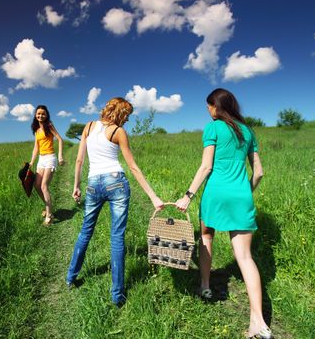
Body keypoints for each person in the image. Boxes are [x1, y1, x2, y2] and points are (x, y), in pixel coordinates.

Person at [175, 88, 271, 339]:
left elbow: (206, 166)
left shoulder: (213, 127)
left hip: (215, 195)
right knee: (245, 257)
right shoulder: (248, 131)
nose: (208, 111)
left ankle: (205, 286)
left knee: (206, 237)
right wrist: (244, 192)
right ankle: (258, 322)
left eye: (209, 106)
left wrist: (188, 195)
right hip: (241, 197)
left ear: (216, 106)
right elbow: (259, 172)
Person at [66, 97, 164, 307]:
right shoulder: (118, 132)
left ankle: (70, 277)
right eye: (126, 115)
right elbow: (133, 167)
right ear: (120, 113)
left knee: (85, 231)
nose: (127, 120)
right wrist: (153, 197)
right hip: (116, 182)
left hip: (93, 184)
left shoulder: (89, 126)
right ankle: (117, 295)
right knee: (117, 237)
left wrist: (76, 185)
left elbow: (79, 160)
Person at [29, 105, 64, 226]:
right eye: (38, 114)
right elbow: (36, 148)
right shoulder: (36, 130)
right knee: (36, 185)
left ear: (46, 115)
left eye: (43, 114)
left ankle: (49, 215)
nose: (40, 116)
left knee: (44, 186)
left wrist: (60, 156)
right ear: (35, 115)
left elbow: (60, 139)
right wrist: (32, 162)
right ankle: (48, 206)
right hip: (41, 159)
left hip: (50, 158)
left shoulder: (49, 126)